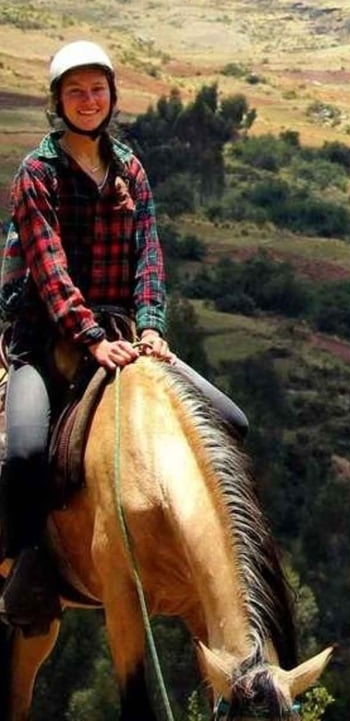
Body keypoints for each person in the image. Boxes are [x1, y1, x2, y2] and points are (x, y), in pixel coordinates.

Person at [0, 40, 248, 633]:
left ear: (111, 96)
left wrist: (153, 328)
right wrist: (88, 338)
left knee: (231, 423)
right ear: (59, 102)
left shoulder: (130, 169)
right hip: (46, 335)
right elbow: (49, 267)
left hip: (124, 333)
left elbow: (149, 260)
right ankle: (26, 565)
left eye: (98, 90)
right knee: (26, 448)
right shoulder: (38, 173)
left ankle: (226, 557)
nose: (89, 101)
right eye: (76, 92)